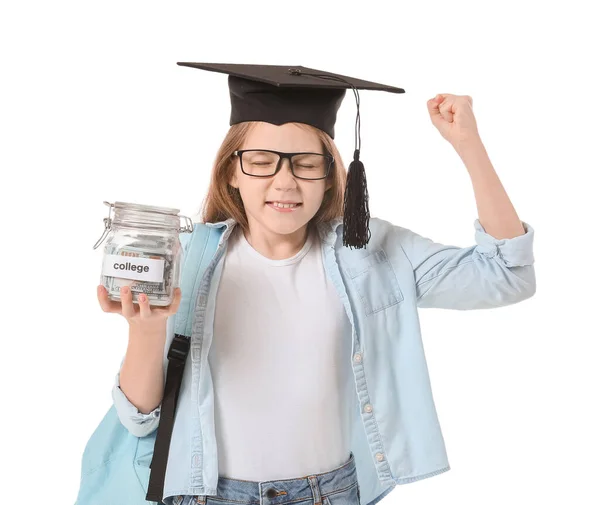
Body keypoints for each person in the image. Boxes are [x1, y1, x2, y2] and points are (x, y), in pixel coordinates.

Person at [96, 63, 536, 505]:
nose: (284, 182)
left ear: (329, 177)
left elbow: (506, 275)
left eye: (306, 164)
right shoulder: (186, 259)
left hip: (330, 494)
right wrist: (147, 329)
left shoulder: (371, 254)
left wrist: (469, 146)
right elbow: (139, 419)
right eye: (261, 162)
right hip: (209, 496)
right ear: (230, 171)